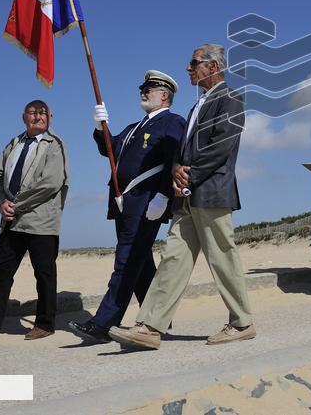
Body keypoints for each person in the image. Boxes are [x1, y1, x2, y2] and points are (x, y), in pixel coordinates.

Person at [109, 44, 254, 350]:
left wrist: (190, 174)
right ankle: (149, 326)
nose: (188, 67)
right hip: (187, 195)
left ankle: (242, 322)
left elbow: (221, 146)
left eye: (194, 62)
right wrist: (176, 169)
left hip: (211, 193)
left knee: (222, 256)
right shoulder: (198, 104)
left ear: (213, 67)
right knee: (173, 258)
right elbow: (183, 149)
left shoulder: (230, 99)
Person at [68, 71, 186, 343]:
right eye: (142, 87)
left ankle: (103, 323)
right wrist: (101, 127)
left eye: (149, 88)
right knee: (140, 263)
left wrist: (163, 197)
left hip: (147, 202)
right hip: (124, 202)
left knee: (127, 260)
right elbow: (110, 150)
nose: (143, 91)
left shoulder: (172, 122)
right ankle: (157, 317)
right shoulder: (135, 127)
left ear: (164, 95)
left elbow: (174, 160)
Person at [0, 100, 69, 342]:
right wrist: (1, 203)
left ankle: (45, 324)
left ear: (50, 117)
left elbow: (51, 183)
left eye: (43, 113)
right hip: (11, 221)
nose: (38, 117)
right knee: (0, 272)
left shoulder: (55, 145)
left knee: (44, 274)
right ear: (23, 117)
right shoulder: (14, 144)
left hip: (41, 221)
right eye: (32, 113)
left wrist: (16, 205)